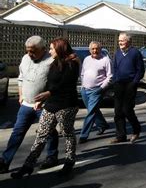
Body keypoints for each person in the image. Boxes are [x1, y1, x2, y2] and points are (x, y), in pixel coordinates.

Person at [12, 38, 81, 178]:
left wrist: (48, 93)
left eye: (51, 49)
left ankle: (69, 161)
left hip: (66, 105)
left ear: (60, 49)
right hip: (51, 104)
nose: (49, 51)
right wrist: (42, 99)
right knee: (41, 135)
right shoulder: (54, 62)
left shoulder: (72, 64)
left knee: (67, 133)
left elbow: (66, 84)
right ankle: (28, 165)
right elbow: (49, 83)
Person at [0, 36, 59, 174]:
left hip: (44, 106)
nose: (30, 54)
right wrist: (20, 94)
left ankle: (52, 156)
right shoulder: (25, 59)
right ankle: (5, 161)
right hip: (26, 104)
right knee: (17, 132)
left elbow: (55, 85)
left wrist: (45, 99)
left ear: (42, 49)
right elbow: (21, 78)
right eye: (28, 51)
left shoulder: (51, 61)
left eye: (33, 51)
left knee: (49, 131)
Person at [111, 33, 144, 144]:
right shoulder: (117, 53)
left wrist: (134, 82)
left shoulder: (135, 53)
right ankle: (121, 135)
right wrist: (115, 80)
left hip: (130, 84)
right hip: (119, 84)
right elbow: (115, 68)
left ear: (129, 42)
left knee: (127, 110)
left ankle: (136, 129)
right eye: (119, 40)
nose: (120, 43)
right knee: (118, 111)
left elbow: (140, 70)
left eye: (122, 41)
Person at [78, 41, 112, 143]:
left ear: (100, 49)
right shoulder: (86, 59)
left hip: (96, 90)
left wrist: (101, 88)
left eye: (97, 48)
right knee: (93, 110)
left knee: (91, 112)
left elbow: (110, 76)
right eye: (92, 49)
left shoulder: (106, 60)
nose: (95, 51)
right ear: (90, 50)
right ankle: (103, 125)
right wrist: (83, 85)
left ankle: (83, 135)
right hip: (85, 90)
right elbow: (83, 73)